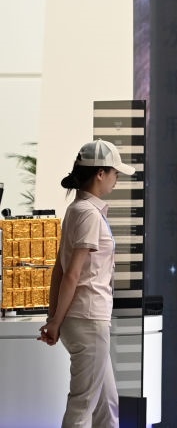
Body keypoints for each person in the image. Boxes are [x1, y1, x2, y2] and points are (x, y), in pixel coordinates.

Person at [38, 139, 136, 428]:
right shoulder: (89, 214)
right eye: (115, 173)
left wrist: (55, 317)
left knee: (107, 404)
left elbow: (59, 269)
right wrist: (54, 321)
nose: (117, 179)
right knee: (83, 406)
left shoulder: (77, 209)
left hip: (81, 318)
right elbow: (71, 274)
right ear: (100, 174)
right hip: (89, 318)